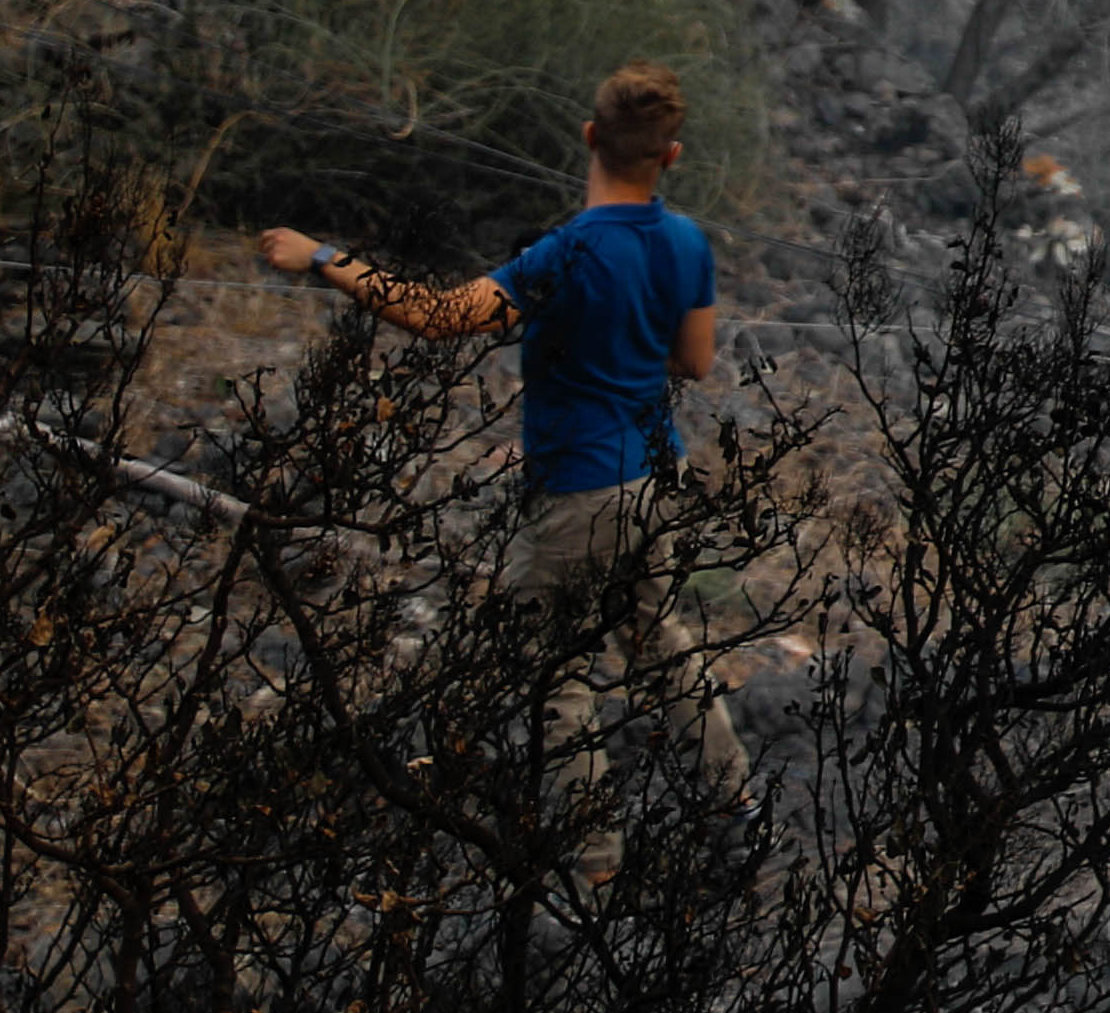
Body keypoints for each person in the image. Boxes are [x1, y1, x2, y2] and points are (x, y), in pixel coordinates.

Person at [260, 59, 749, 818]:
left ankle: (589, 858)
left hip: (578, 490)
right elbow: (695, 361)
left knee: (547, 667)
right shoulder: (687, 243)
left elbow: (436, 315)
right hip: (655, 476)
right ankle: (735, 805)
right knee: (660, 642)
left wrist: (323, 257)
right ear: (671, 156)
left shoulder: (566, 252)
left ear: (589, 137)